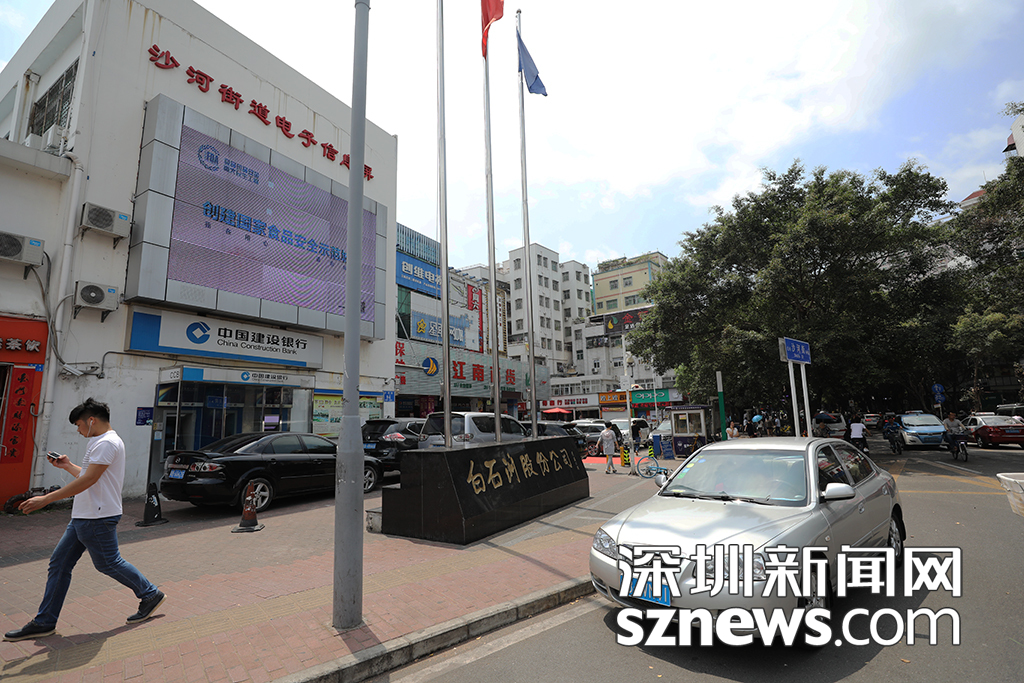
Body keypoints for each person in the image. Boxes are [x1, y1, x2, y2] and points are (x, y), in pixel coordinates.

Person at [4, 398, 165, 642]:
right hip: (86, 515)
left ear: (91, 421)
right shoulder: (101, 441)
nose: (78, 431)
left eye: (79, 425)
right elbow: (90, 476)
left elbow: (89, 480)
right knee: (59, 564)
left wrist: (46, 499)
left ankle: (150, 593)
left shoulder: (106, 443)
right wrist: (68, 465)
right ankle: (45, 621)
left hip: (97, 516)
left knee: (108, 563)